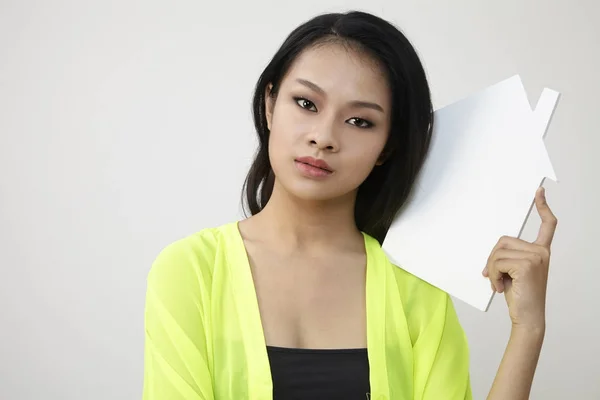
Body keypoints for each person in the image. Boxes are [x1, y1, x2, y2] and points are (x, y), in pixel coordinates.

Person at [142, 10, 557, 400]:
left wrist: (528, 328)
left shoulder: (415, 287)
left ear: (386, 147)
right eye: (306, 103)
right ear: (270, 105)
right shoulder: (191, 271)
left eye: (360, 121)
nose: (324, 136)